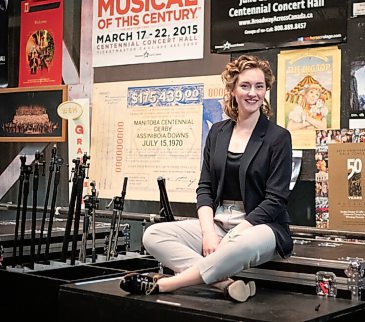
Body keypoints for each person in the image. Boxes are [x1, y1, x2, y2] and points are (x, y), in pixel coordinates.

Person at [119, 55, 293, 303]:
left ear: (266, 90)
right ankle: (225, 284)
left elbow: (275, 200)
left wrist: (235, 235)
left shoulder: (278, 137)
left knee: (240, 246)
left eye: (259, 86)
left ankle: (166, 285)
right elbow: (205, 189)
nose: (252, 93)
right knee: (153, 236)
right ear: (232, 89)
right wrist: (208, 231)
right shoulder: (218, 132)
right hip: (220, 221)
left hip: (261, 227)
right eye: (245, 86)